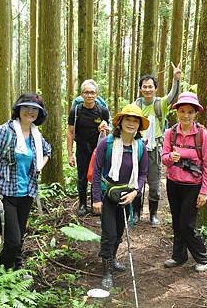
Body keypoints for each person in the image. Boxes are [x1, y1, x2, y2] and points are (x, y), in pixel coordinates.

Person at [0, 92, 52, 270]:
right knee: (12, 239)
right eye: (27, 107)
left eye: (35, 109)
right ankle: (4, 272)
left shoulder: (36, 135)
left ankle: (17, 266)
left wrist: (39, 167)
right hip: (5, 193)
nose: (30, 112)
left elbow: (47, 152)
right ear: (18, 110)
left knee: (18, 235)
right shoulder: (4, 131)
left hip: (27, 193)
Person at [92, 104, 149, 290]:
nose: (131, 123)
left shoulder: (140, 146)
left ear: (139, 125)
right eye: (128, 119)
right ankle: (106, 270)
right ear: (121, 122)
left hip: (127, 196)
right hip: (108, 194)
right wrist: (96, 199)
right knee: (109, 234)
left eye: (135, 121)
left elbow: (143, 174)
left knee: (119, 233)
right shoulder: (106, 143)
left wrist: (135, 192)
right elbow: (96, 171)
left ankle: (112, 258)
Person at [161, 92, 207, 273]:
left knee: (186, 224)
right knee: (176, 221)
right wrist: (170, 157)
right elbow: (164, 158)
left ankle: (202, 256)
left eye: (190, 111)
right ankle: (178, 256)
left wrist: (204, 191)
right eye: (182, 111)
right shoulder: (170, 133)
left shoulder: (202, 135)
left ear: (195, 113)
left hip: (193, 186)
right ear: (177, 112)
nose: (186, 115)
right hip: (173, 183)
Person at [132, 62, 182, 226]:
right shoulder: (135, 106)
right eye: (144, 87)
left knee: (154, 183)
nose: (147, 89)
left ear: (155, 88)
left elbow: (173, 97)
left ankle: (153, 214)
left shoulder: (160, 104)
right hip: (137, 147)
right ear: (140, 89)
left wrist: (176, 80)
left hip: (155, 149)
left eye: (150, 87)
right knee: (135, 181)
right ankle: (136, 213)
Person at [66, 79, 111, 216]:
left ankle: (95, 202)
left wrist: (104, 129)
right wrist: (70, 154)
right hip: (82, 148)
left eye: (92, 92)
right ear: (82, 94)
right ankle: (82, 204)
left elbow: (109, 131)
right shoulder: (76, 111)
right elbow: (70, 132)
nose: (89, 95)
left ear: (96, 94)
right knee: (82, 177)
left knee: (97, 175)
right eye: (86, 92)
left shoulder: (102, 110)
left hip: (98, 148)